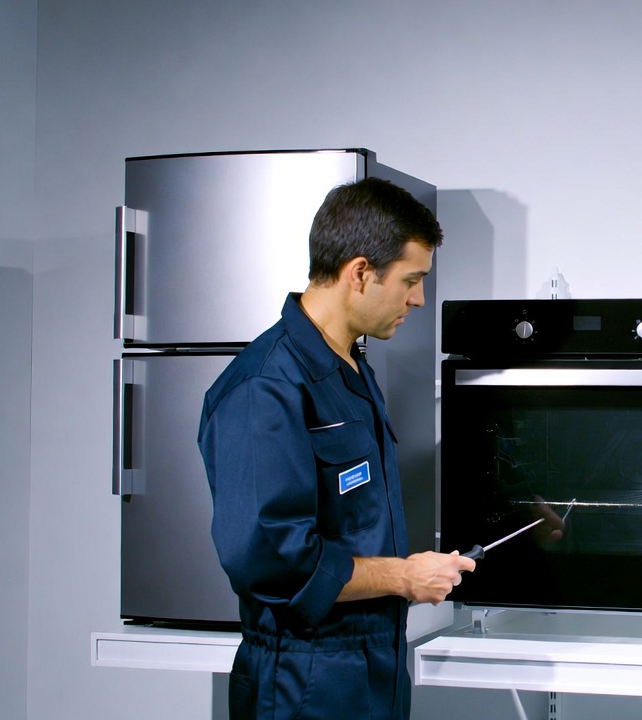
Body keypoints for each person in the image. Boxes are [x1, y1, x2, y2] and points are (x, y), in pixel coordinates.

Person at [198, 177, 475, 720]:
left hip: (372, 670)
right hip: (302, 682)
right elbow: (274, 560)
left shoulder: (352, 370)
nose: (418, 299)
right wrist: (403, 576)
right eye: (411, 280)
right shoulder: (265, 386)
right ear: (361, 272)